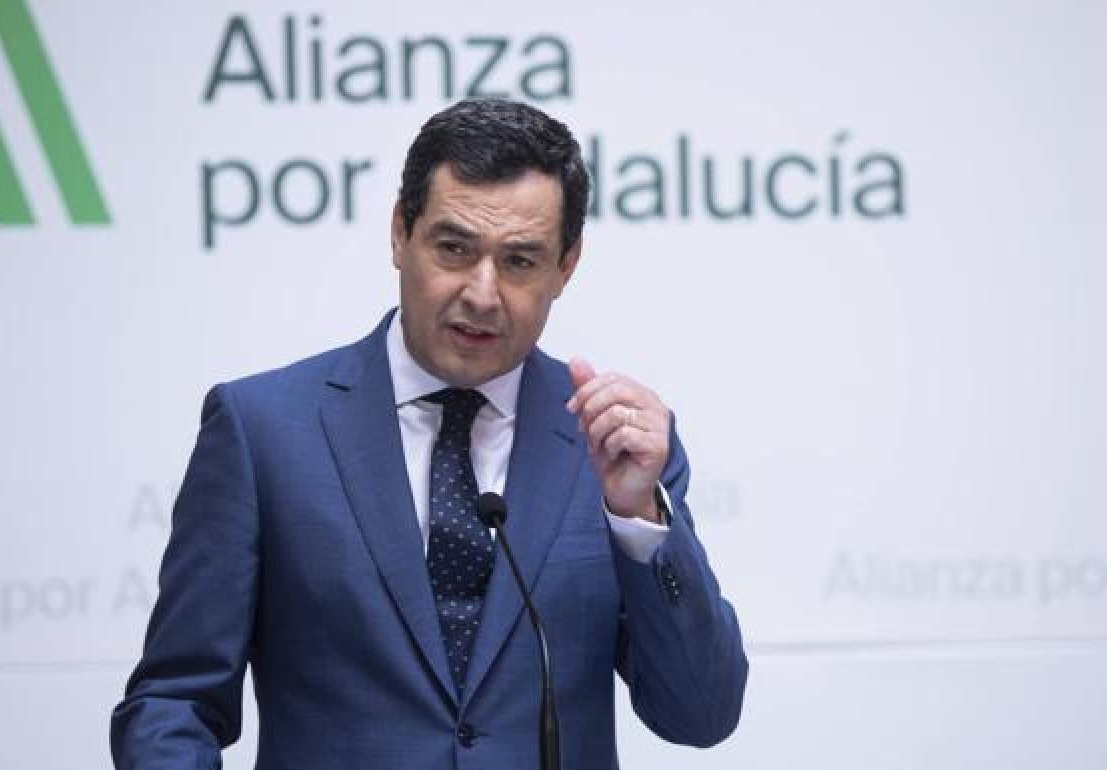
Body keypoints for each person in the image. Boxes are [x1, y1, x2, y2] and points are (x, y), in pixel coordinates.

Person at [111, 98, 747, 770]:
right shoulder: (263, 431)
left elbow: (700, 715)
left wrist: (639, 519)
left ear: (566, 266)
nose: (482, 293)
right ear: (399, 234)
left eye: (520, 261)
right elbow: (173, 702)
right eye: (454, 248)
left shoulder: (611, 447)